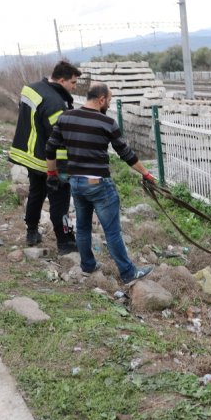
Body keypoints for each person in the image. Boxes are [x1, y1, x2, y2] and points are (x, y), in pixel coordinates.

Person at [46, 82, 155, 284]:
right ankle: (128, 273)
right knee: (112, 231)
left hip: (76, 182)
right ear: (101, 99)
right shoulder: (107, 123)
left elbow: (50, 148)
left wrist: (51, 173)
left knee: (83, 226)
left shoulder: (65, 117)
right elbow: (126, 154)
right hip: (99, 184)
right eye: (110, 100)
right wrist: (146, 173)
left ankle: (87, 266)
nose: (109, 104)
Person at [9, 60, 82, 254]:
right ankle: (65, 242)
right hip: (50, 162)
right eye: (73, 83)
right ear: (61, 79)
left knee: (36, 194)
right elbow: (58, 139)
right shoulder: (55, 103)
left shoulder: (31, 89)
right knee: (60, 202)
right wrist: (60, 168)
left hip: (32, 155)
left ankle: (32, 232)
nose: (74, 88)